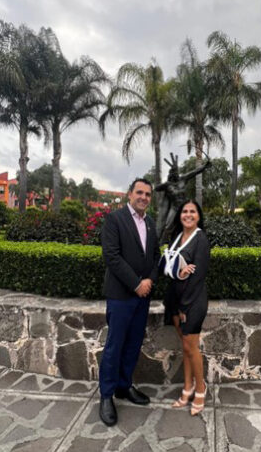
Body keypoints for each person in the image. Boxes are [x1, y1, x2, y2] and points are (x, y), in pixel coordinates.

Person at [98, 178, 161, 427]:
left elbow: (155, 256)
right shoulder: (115, 219)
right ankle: (106, 396)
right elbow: (111, 256)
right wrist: (137, 283)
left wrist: (149, 281)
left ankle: (124, 387)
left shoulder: (150, 222)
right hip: (121, 295)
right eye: (139, 192)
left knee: (133, 345)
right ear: (130, 194)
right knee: (115, 346)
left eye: (147, 194)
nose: (143, 197)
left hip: (142, 298)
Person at [162, 199, 210, 416]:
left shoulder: (201, 240)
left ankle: (201, 389)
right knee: (185, 347)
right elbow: (166, 265)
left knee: (192, 347)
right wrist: (179, 272)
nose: (188, 214)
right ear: (180, 215)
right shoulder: (176, 238)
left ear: (198, 216)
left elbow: (198, 276)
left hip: (192, 302)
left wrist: (184, 307)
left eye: (192, 211)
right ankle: (187, 387)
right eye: (184, 211)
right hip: (174, 299)